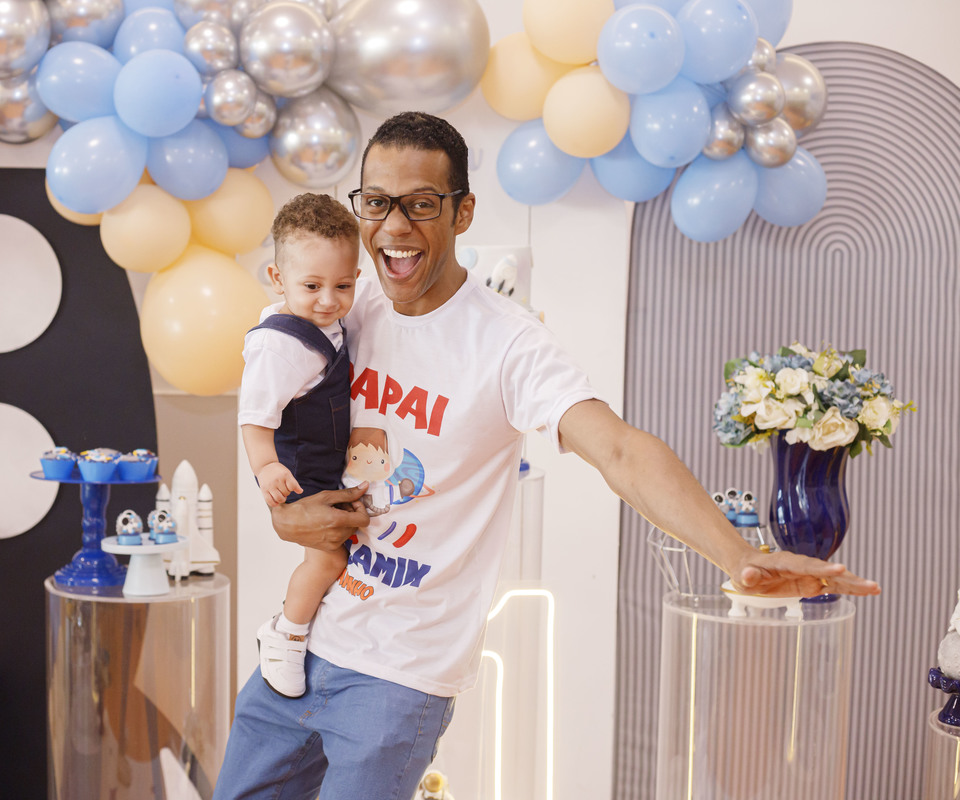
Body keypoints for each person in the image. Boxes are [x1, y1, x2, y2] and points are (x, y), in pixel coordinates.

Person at [213, 112, 881, 800]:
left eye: (422, 204)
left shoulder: (508, 344)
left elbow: (619, 449)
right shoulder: (343, 307)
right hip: (299, 646)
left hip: (398, 678)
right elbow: (272, 407)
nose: (395, 226)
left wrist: (736, 555)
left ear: (463, 212)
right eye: (378, 203)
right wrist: (284, 511)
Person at [237, 193, 362, 699]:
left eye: (343, 285)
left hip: (326, 460)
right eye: (312, 286)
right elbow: (254, 417)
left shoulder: (327, 324)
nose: (328, 300)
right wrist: (266, 467)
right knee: (328, 560)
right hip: (298, 468)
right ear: (278, 278)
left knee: (343, 553)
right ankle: (285, 635)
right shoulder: (278, 345)